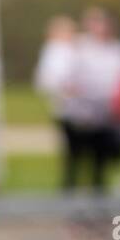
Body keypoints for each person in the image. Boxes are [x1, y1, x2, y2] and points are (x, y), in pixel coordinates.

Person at [67, 7, 120, 195]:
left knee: (101, 163)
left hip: (108, 115)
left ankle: (98, 203)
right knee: (76, 161)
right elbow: (68, 79)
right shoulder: (79, 48)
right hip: (81, 115)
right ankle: (71, 206)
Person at [34, 15, 84, 190]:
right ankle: (70, 187)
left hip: (81, 108)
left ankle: (78, 187)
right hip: (66, 108)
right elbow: (48, 80)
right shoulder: (55, 51)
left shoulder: (74, 50)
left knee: (80, 151)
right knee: (72, 151)